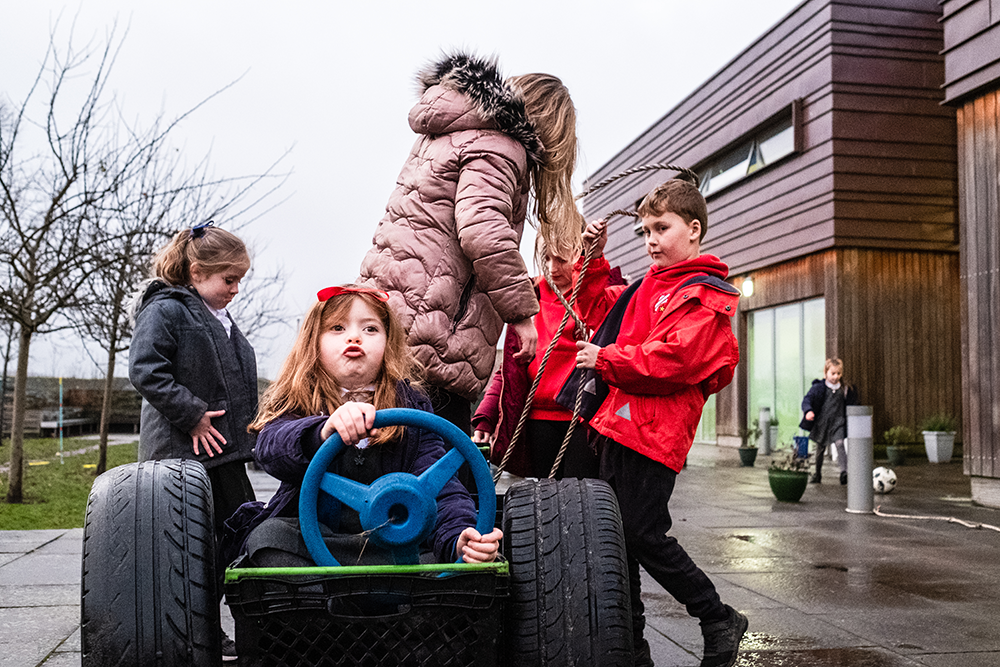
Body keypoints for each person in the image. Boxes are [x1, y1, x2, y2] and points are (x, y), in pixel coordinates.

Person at [358, 52, 582, 435]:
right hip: (434, 337)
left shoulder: (451, 135)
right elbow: (482, 228)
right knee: (442, 472)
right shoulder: (500, 148)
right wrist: (521, 316)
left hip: (393, 317)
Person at [574, 179, 749, 667]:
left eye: (661, 227)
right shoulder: (648, 287)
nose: (650, 239)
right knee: (621, 539)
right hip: (617, 426)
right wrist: (593, 260)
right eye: (644, 230)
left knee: (641, 533)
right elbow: (592, 308)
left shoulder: (704, 296)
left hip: (653, 434)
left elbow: (675, 360)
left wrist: (607, 359)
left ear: (694, 230)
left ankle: (716, 616)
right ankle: (632, 644)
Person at [221, 285, 502, 569]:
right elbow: (272, 448)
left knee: (466, 563)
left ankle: (376, 599)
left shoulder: (412, 408)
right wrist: (321, 432)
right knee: (266, 538)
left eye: (370, 329)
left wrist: (459, 538)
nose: (354, 337)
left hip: (396, 546)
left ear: (388, 343)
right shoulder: (299, 398)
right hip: (318, 540)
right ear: (313, 343)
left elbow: (443, 489)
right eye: (337, 328)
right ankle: (321, 603)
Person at [129, 222, 258, 540]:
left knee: (243, 532)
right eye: (229, 279)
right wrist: (192, 416)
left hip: (221, 455)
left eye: (239, 280)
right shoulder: (165, 311)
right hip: (182, 457)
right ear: (198, 272)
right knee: (188, 545)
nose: (236, 289)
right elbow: (146, 369)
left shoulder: (217, 319)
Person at [471, 232, 622, 479]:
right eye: (546, 258)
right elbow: (511, 369)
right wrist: (486, 417)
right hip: (537, 417)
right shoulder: (529, 298)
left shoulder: (595, 296)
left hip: (582, 418)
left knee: (579, 494)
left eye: (561, 259)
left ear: (578, 254)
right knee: (543, 493)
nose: (552, 268)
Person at [801, 358, 859, 485]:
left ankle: (844, 472)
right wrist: (808, 411)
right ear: (826, 372)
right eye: (832, 373)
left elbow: (852, 403)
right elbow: (807, 399)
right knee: (820, 449)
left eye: (838, 373)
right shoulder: (819, 388)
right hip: (823, 422)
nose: (835, 376)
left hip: (838, 422)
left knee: (840, 444)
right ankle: (817, 473)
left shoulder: (845, 388)